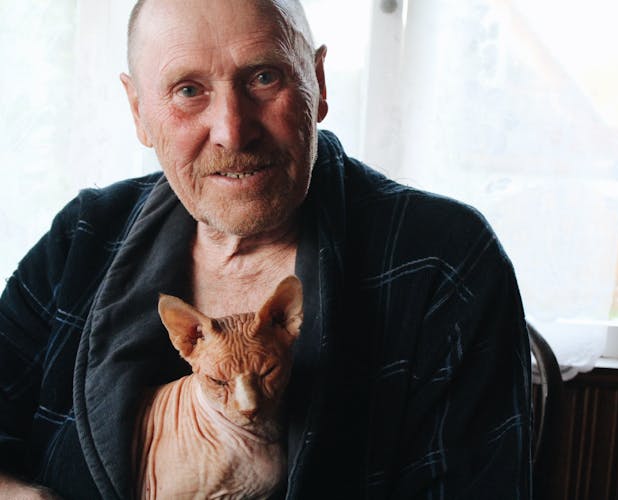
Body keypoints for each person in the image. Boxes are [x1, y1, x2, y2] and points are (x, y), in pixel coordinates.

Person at [0, 0, 531, 498]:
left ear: (317, 84)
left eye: (263, 77)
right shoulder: (84, 236)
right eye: (188, 90)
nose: (233, 131)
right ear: (140, 111)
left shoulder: (443, 261)